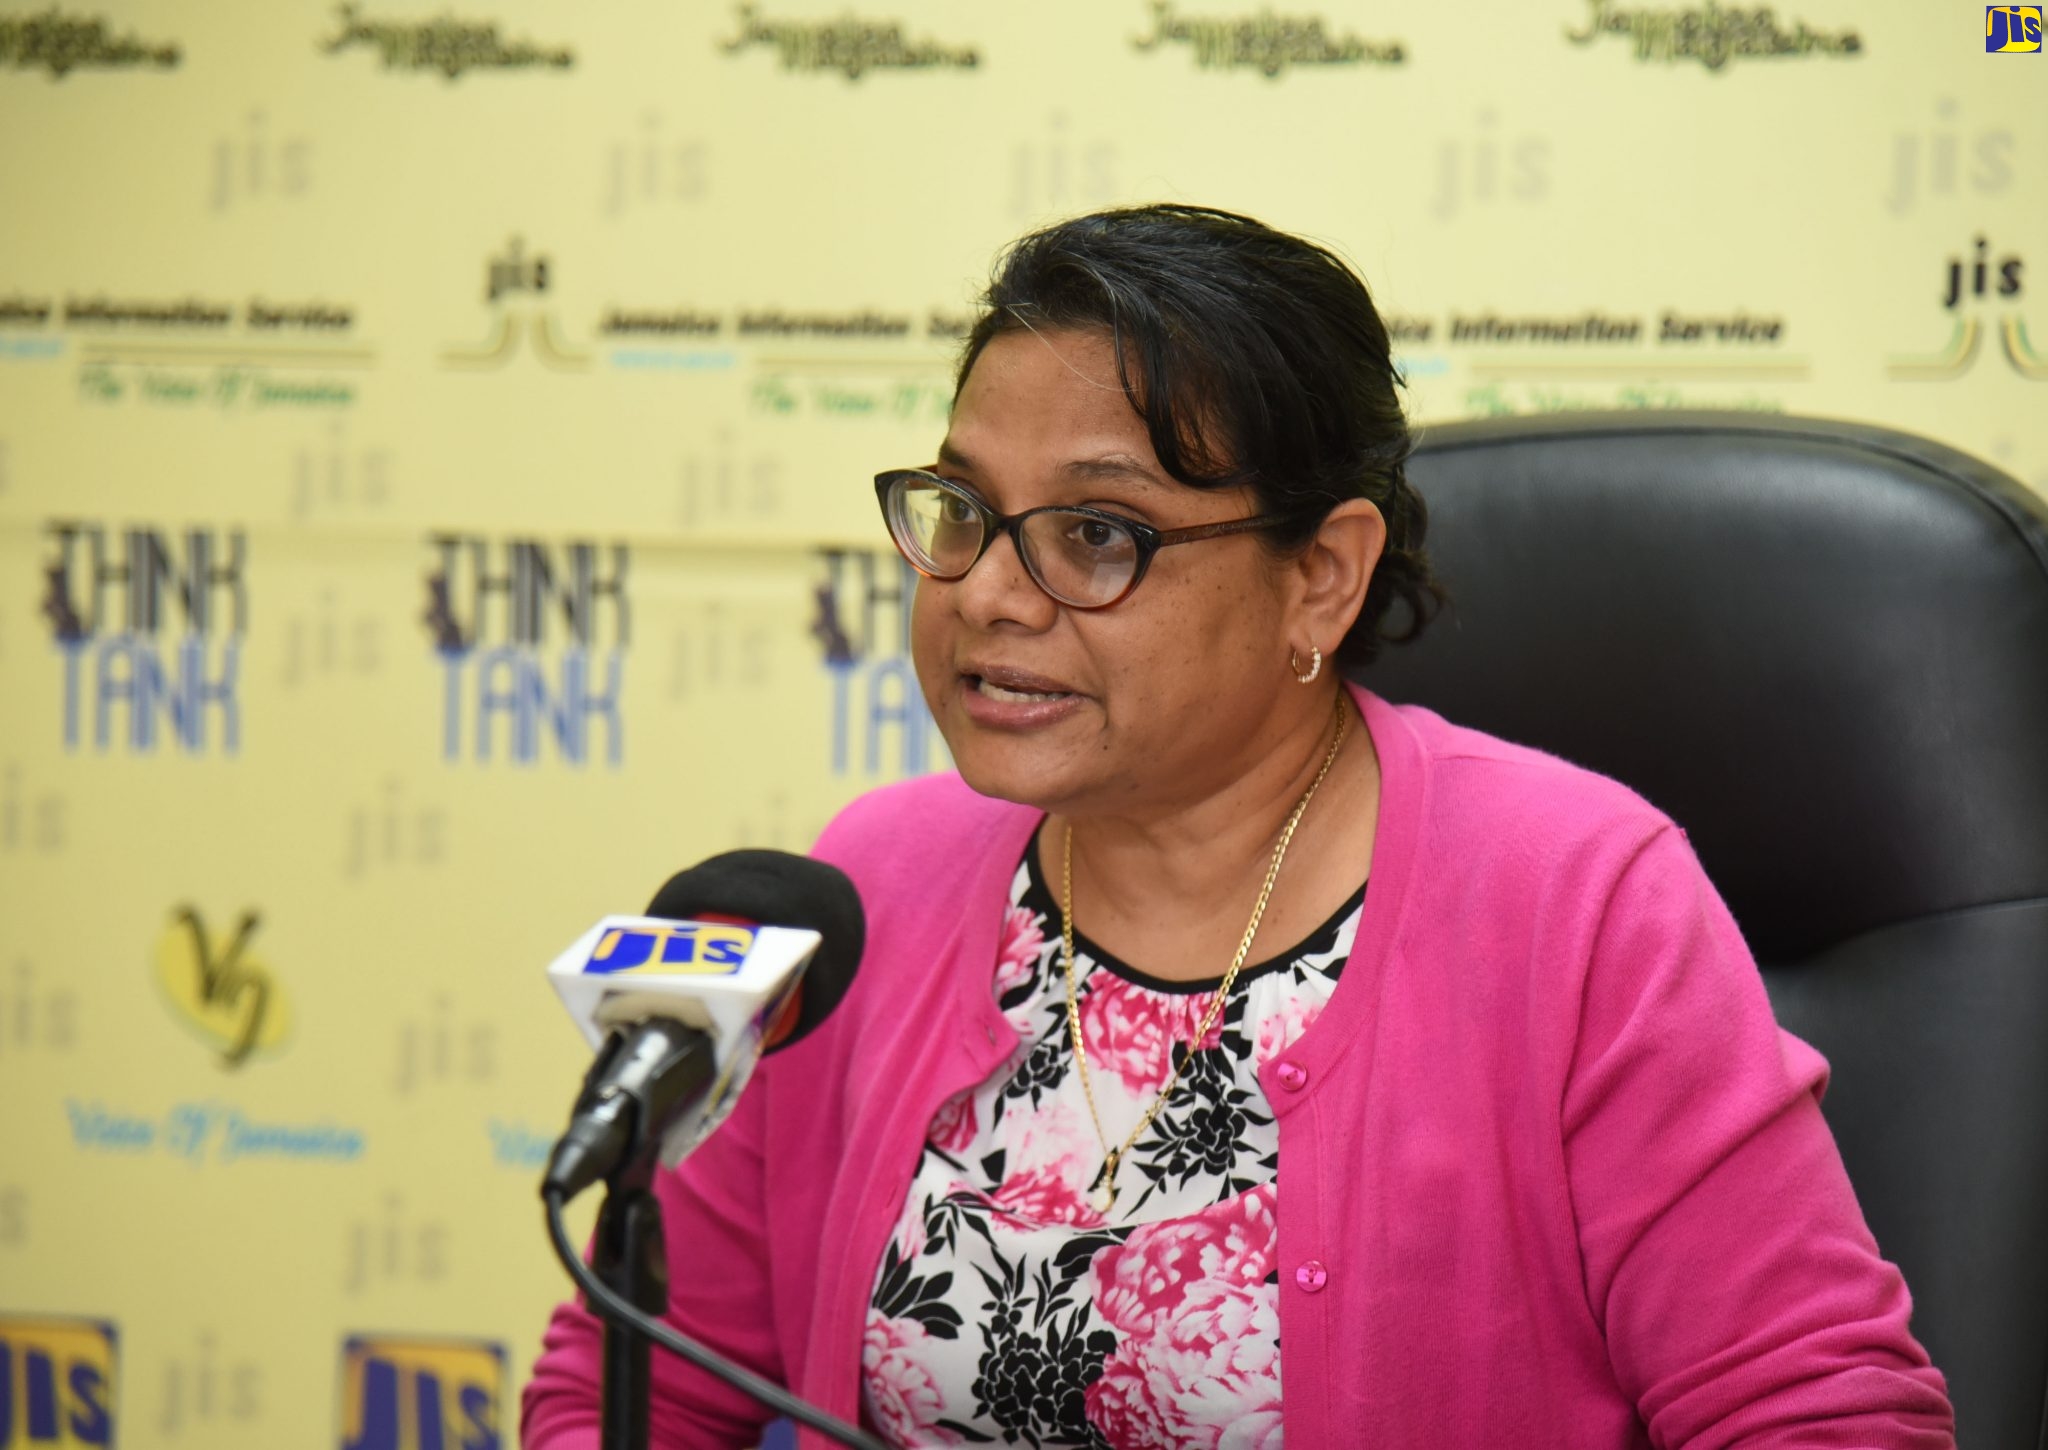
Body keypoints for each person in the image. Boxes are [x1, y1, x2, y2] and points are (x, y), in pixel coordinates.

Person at [523, 205, 1955, 1449]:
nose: (988, 595)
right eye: (964, 507)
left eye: (1097, 532)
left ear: (1321, 578)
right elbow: (628, 1382)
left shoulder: (1576, 902)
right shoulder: (865, 889)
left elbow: (1820, 1414)